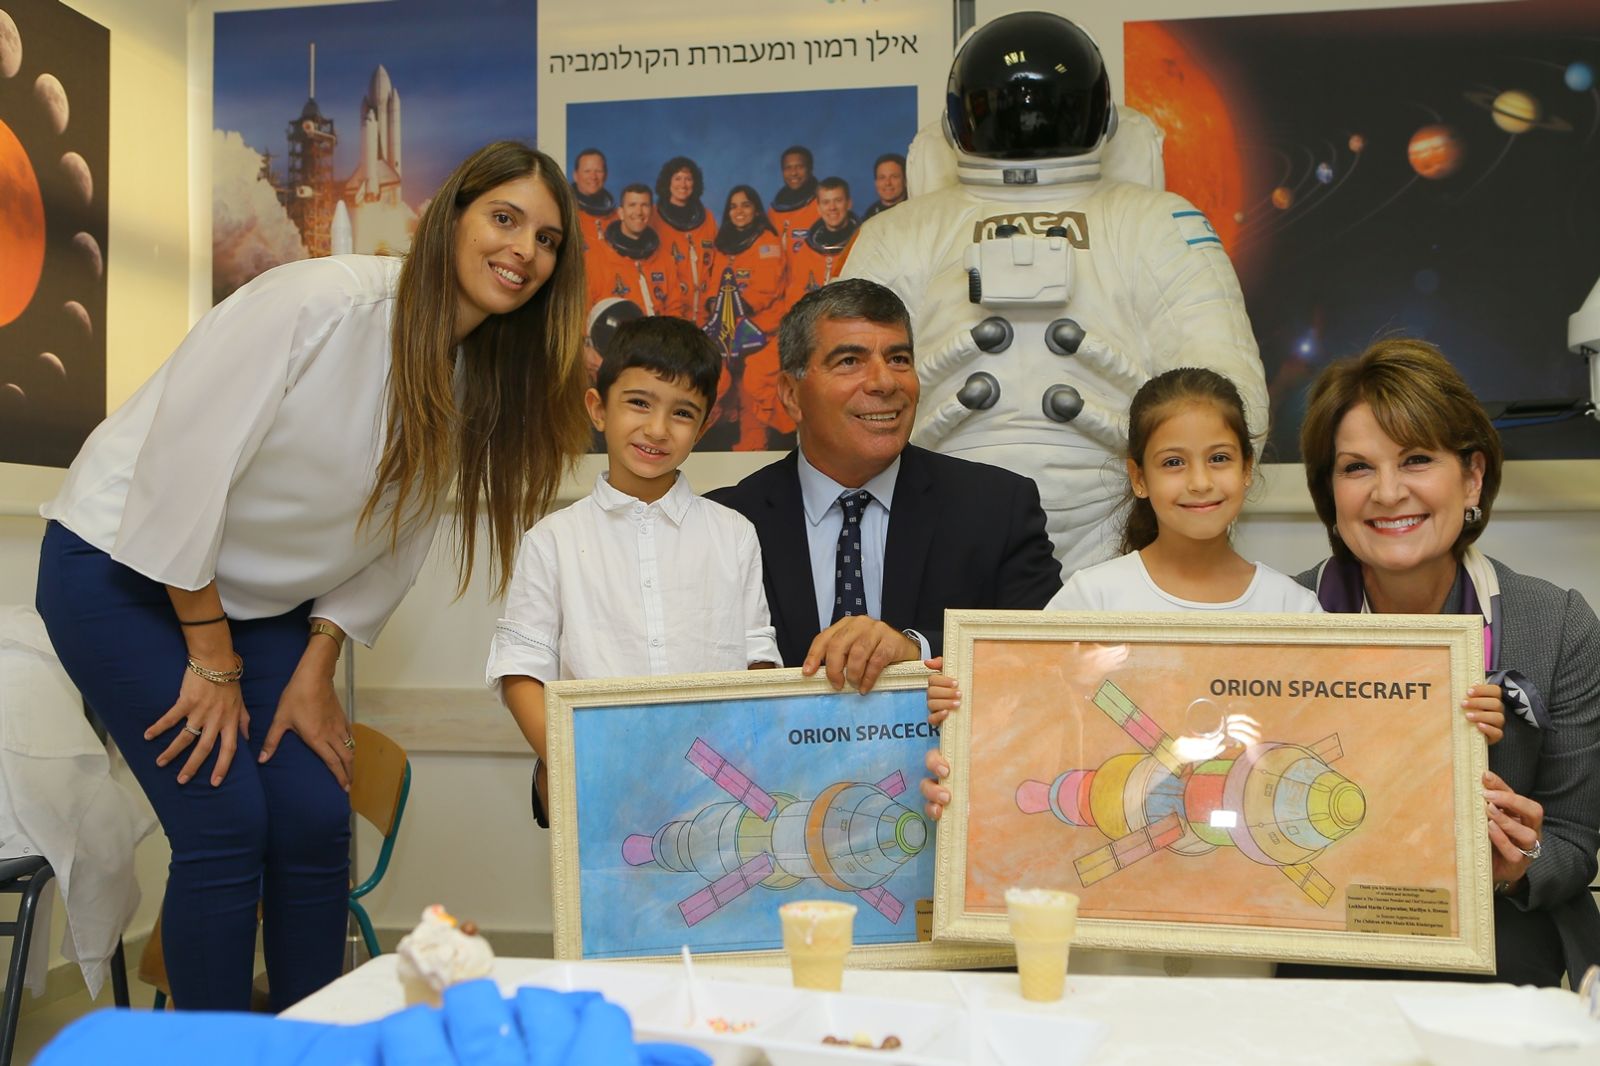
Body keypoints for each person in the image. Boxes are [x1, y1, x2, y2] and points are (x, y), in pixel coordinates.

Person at [32, 141, 591, 1012]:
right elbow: (182, 471)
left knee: (313, 819)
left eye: (548, 240)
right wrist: (212, 658)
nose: (524, 251)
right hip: (119, 569)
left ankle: (311, 1041)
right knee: (224, 822)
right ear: (453, 216)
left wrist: (316, 664)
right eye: (505, 219)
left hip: (250, 606)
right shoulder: (319, 301)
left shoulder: (477, 378)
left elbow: (394, 542)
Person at [843, 12, 1267, 577]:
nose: (1025, 117)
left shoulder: (1156, 223)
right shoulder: (901, 234)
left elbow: (1233, 409)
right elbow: (838, 397)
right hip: (935, 531)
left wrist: (1134, 440)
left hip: (1124, 536)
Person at [1286, 337, 1600, 987]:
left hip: (1498, 953)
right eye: (1357, 468)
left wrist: (1517, 861)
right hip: (1321, 945)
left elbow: (1571, 847)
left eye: (1417, 459)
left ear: (1473, 477)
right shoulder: (1280, 621)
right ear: (1330, 491)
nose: (1389, 491)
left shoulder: (1559, 626)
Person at [487, 316, 780, 827]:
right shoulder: (552, 541)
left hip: (714, 798)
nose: (657, 429)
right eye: (639, 403)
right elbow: (521, 673)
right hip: (598, 793)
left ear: (705, 426)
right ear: (598, 409)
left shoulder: (735, 534)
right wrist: (584, 767)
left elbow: (758, 665)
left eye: (682, 412)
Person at [708, 278, 1061, 689]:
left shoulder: (997, 509)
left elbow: (1049, 653)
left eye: (898, 359)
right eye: (849, 362)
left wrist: (917, 652)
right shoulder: (726, 523)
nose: (884, 382)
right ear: (790, 394)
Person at [702, 185, 791, 451]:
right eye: (733, 206)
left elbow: (765, 288)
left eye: (745, 205)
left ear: (756, 209)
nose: (739, 211)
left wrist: (732, 307)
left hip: (760, 330)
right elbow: (712, 283)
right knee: (721, 386)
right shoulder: (723, 245)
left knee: (752, 390)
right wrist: (712, 302)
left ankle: (756, 447)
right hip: (727, 331)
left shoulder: (767, 243)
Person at [585, 183, 691, 320]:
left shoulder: (664, 259)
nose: (639, 212)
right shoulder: (596, 259)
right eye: (632, 205)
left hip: (659, 337)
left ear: (651, 212)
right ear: (621, 213)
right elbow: (582, 312)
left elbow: (674, 309)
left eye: (644, 205)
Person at [653, 156, 718, 316]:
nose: (683, 184)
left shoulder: (707, 217)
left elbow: (717, 262)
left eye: (688, 179)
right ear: (668, 182)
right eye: (677, 178)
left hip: (705, 312)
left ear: (695, 184)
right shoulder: (652, 218)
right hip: (672, 312)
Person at [785, 176, 860, 306]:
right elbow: (794, 296)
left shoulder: (863, 244)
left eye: (838, 200)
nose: (832, 208)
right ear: (818, 208)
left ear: (849, 203)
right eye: (826, 202)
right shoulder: (806, 250)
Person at [768, 144, 821, 244]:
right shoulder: (774, 211)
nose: (793, 173)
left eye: (799, 167)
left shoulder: (824, 204)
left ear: (810, 169)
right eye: (788, 168)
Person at [570, 147, 616, 243]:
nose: (593, 177)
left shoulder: (617, 218)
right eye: (587, 171)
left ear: (606, 175)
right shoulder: (564, 212)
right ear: (575, 175)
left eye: (598, 171)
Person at [862, 153, 906, 219]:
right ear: (876, 182)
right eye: (882, 177)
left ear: (905, 180)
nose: (887, 183)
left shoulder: (915, 209)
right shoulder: (870, 215)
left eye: (894, 177)